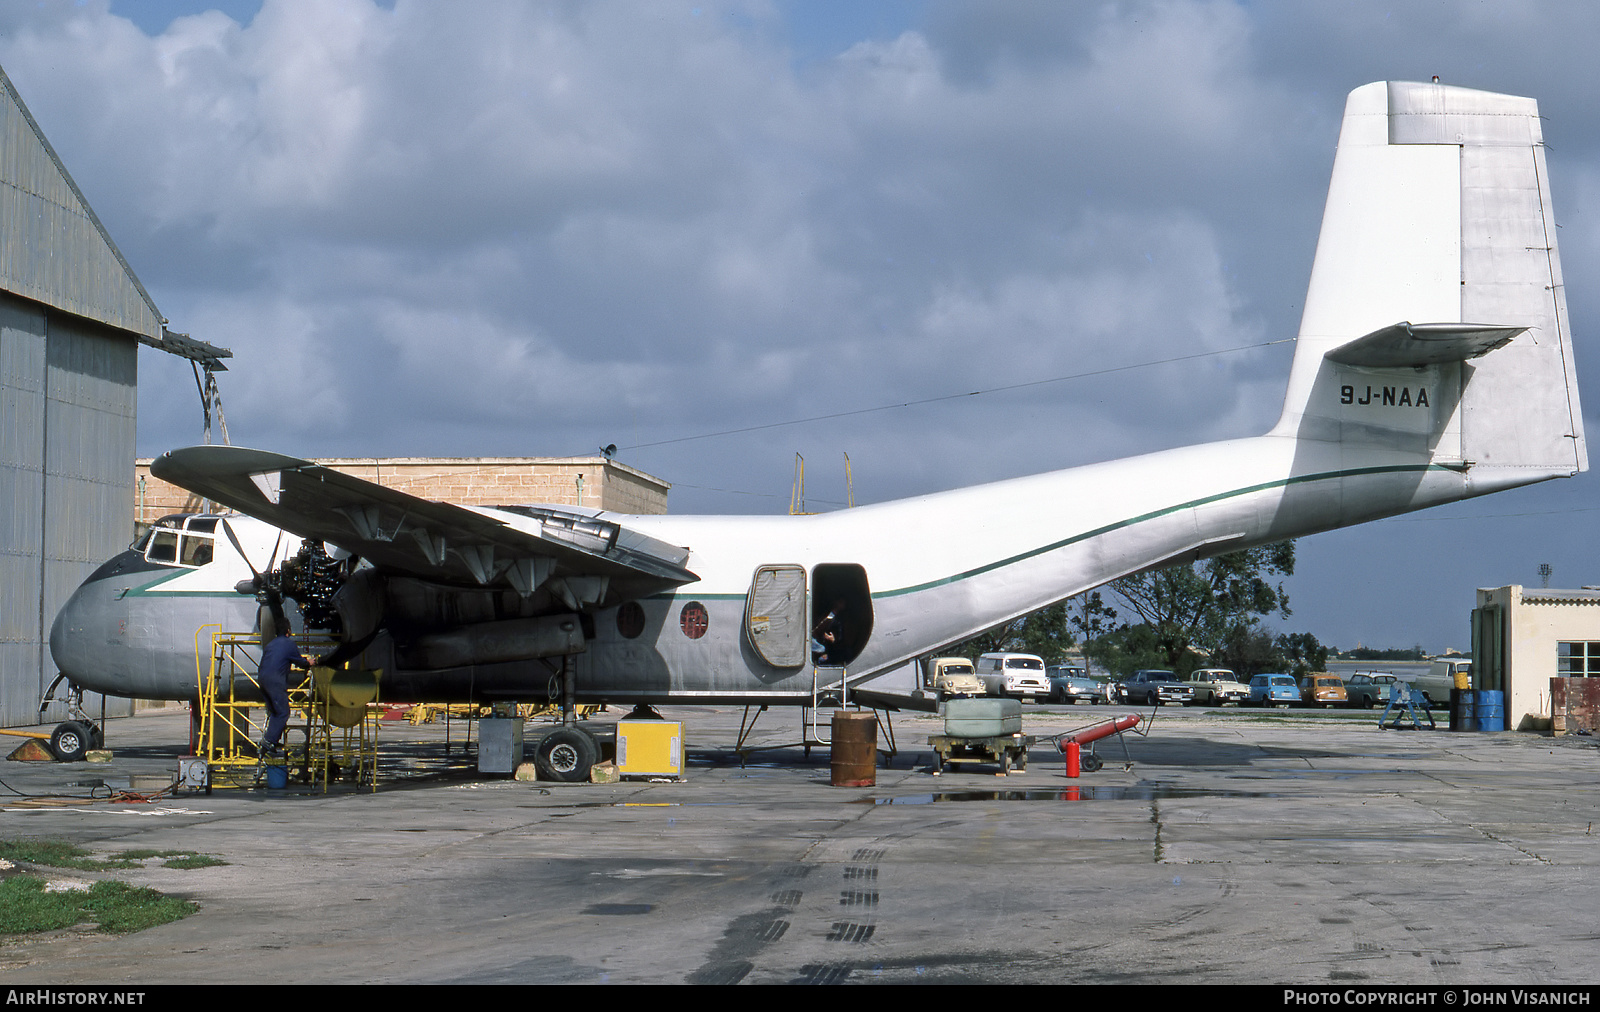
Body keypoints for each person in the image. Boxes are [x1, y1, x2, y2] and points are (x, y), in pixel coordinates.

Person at [258, 617, 313, 756]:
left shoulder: (271, 644)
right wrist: (310, 662)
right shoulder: (288, 644)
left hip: (263, 679)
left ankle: (272, 741)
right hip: (275, 681)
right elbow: (300, 662)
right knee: (283, 712)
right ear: (289, 631)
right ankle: (268, 741)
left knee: (275, 712)